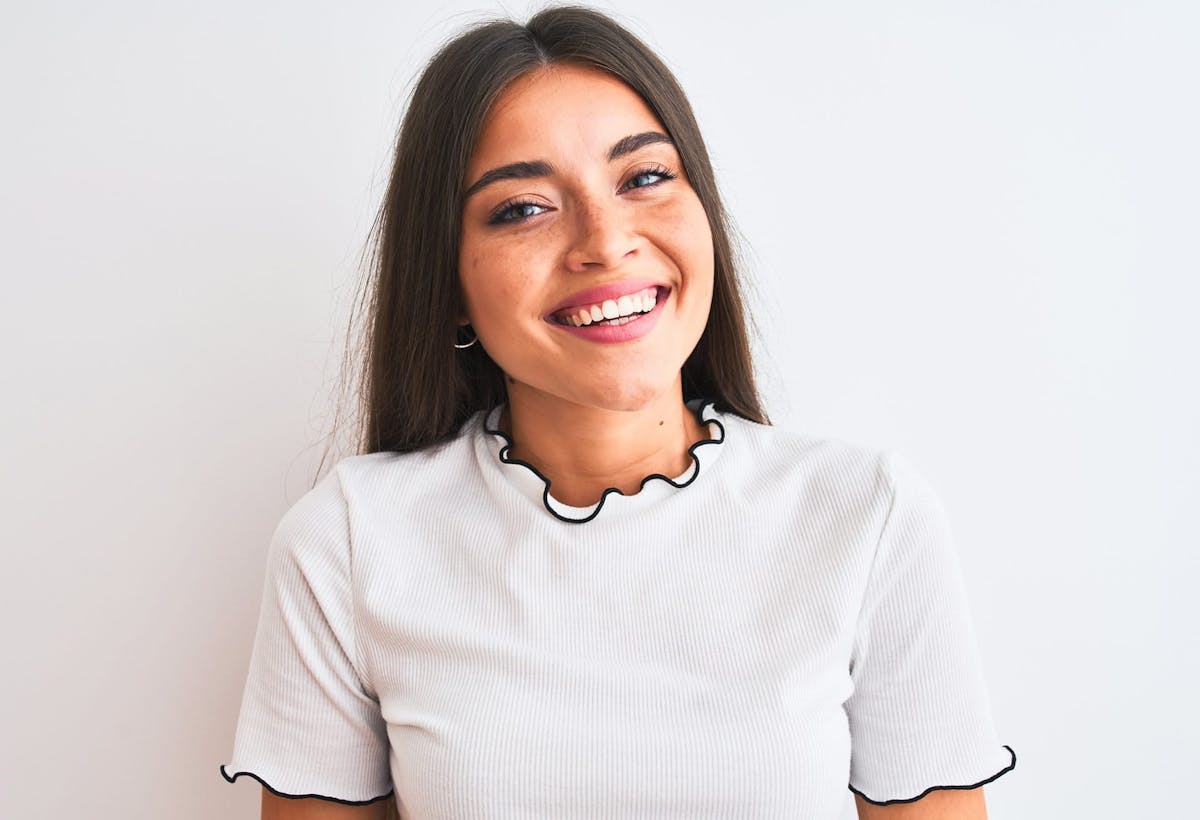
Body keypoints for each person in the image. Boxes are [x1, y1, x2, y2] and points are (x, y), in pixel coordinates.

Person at [219, 5, 1016, 818]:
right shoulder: (350, 544)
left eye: (643, 178)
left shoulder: (866, 518)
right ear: (448, 284)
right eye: (524, 207)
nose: (605, 241)